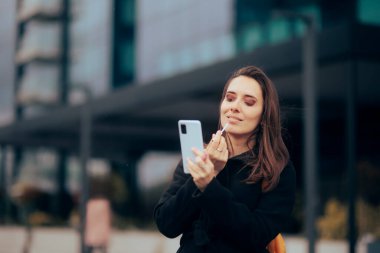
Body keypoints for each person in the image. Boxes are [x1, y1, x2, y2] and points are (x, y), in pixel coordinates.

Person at [154, 66, 296, 253]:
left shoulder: (277, 169)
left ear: (264, 115)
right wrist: (204, 175)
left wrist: (209, 186)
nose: (234, 107)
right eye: (229, 98)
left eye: (249, 102)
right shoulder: (197, 156)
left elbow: (255, 235)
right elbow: (166, 223)